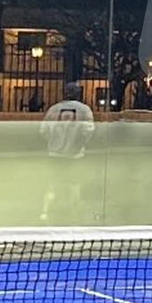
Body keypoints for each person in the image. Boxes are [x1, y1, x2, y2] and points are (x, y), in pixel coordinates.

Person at [39, 82, 96, 222]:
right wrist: (79, 144)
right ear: (79, 93)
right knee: (74, 185)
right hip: (74, 155)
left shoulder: (54, 109)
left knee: (52, 184)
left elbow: (43, 130)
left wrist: (53, 143)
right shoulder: (84, 110)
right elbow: (88, 131)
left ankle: (45, 212)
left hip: (54, 154)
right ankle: (73, 214)